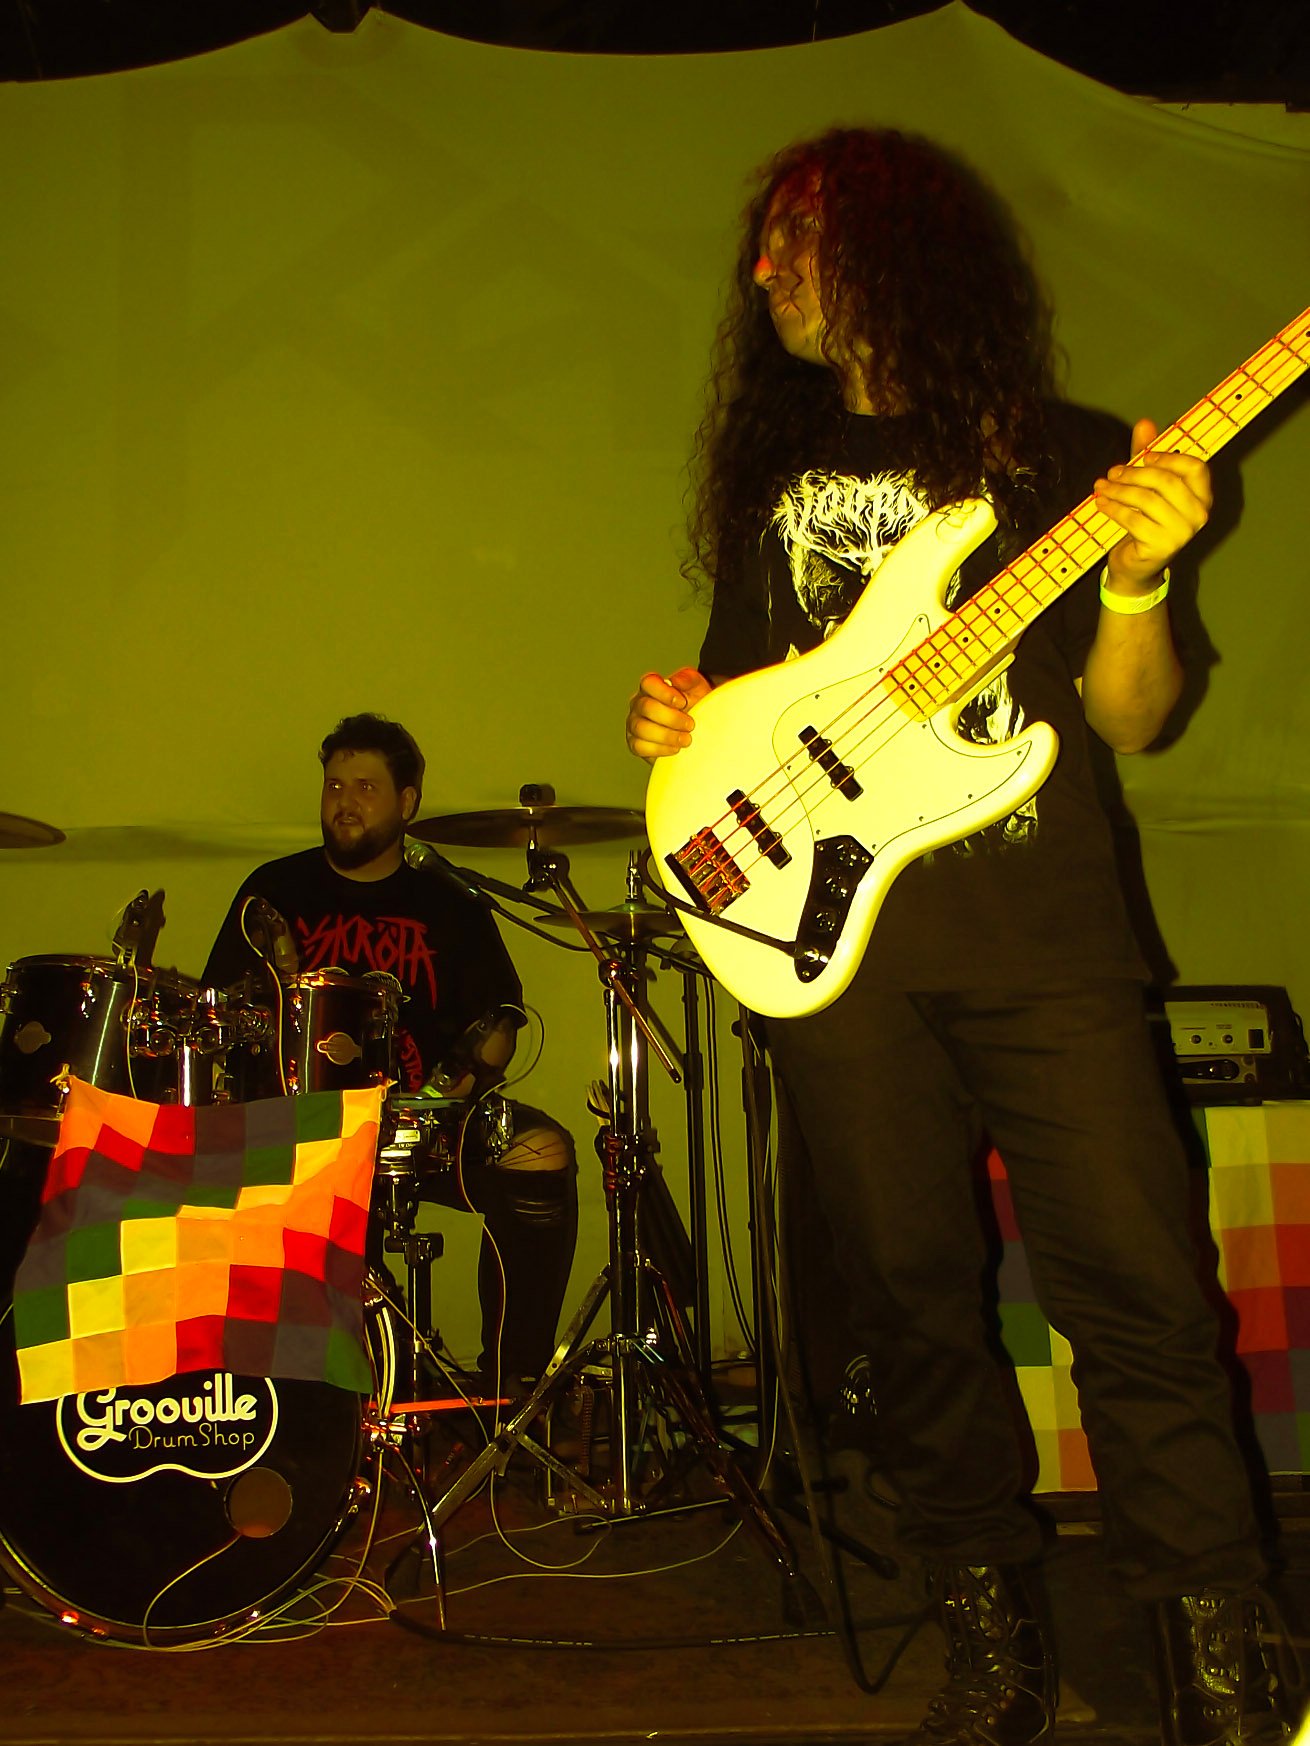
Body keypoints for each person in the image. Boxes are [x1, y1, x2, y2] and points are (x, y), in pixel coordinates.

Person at [625, 129, 1300, 1746]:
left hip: (1044, 937)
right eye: (763, 244)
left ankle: (1218, 1656)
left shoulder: (1062, 455)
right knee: (911, 1309)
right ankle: (993, 1639)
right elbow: (749, 699)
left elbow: (1132, 718)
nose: (764, 269)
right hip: (833, 951)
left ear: (896, 247)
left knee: (1139, 1289)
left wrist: (1136, 583)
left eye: (797, 237)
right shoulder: (775, 480)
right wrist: (680, 729)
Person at [204, 712, 577, 1388]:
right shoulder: (275, 891)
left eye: (365, 788)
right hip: (301, 1127)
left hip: (420, 1122)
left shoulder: (450, 900)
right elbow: (220, 1012)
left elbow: (499, 1019)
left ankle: (512, 1388)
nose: (344, 803)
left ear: (407, 803)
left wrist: (463, 1077)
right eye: (334, 785)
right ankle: (322, 1396)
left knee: (542, 1151)